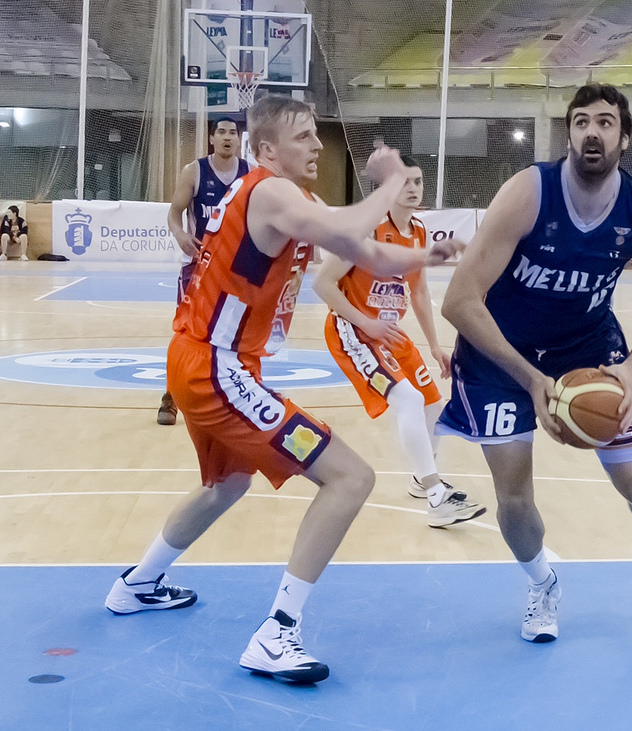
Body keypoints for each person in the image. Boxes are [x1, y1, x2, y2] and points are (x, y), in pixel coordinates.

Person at [104, 95, 461, 684]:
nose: (317, 146)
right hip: (217, 370)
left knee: (227, 484)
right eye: (303, 137)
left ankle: (137, 584)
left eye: (316, 136)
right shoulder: (270, 192)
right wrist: (390, 181)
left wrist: (425, 253)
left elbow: (362, 249)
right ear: (266, 150)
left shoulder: (294, 197)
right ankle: (276, 635)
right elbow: (346, 226)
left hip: (204, 360)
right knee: (351, 477)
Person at [438, 83, 632, 644]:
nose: (593, 131)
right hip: (501, 355)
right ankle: (542, 583)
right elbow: (459, 301)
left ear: (625, 137)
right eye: (582, 121)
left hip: (589, 348)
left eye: (606, 122)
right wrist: (533, 381)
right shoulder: (528, 193)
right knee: (514, 496)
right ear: (568, 133)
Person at [313, 155, 485, 528]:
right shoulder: (368, 230)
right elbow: (322, 284)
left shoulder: (420, 233)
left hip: (390, 332)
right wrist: (365, 322)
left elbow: (419, 292)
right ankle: (437, 496)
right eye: (404, 181)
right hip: (353, 330)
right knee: (406, 398)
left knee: (433, 404)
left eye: (418, 181)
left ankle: (421, 481)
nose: (413, 188)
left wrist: (435, 346)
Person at [157, 117, 249, 426]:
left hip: (238, 271)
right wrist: (181, 235)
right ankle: (170, 397)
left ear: (239, 139)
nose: (227, 137)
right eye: (221, 132)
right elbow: (173, 212)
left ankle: (231, 397)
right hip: (199, 268)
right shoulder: (194, 171)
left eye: (232, 132)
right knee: (185, 335)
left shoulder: (251, 174)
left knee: (235, 338)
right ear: (211, 138)